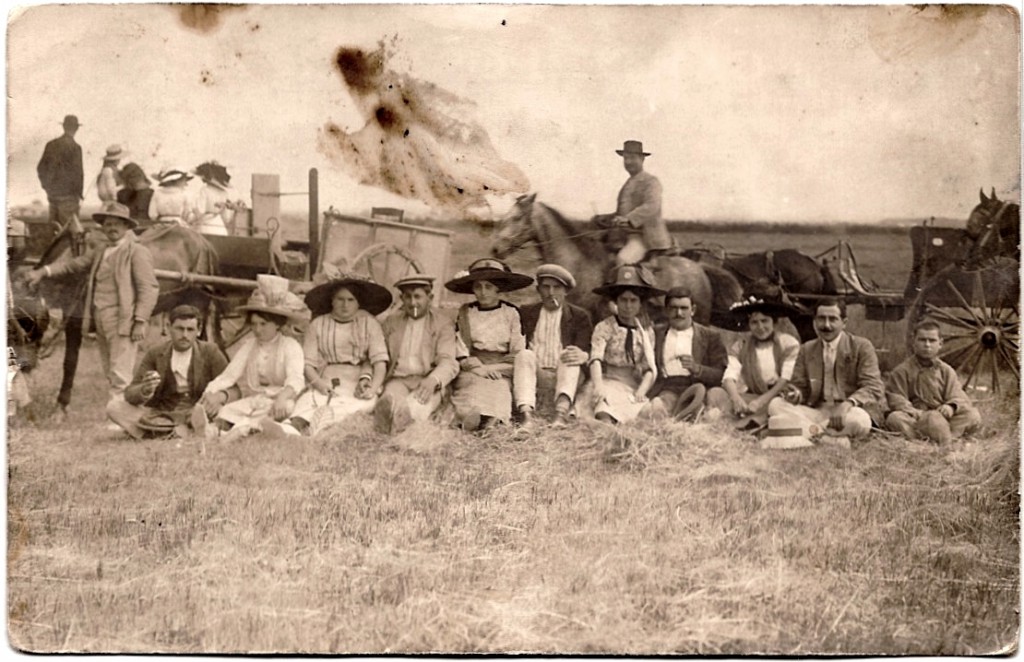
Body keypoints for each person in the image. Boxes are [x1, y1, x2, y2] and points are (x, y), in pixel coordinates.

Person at [24, 201, 159, 401]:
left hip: (124, 318)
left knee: (121, 372)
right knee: (109, 368)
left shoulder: (136, 252)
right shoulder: (101, 250)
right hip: (101, 318)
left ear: (126, 227)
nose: (112, 228)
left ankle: (120, 417)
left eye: (117, 224)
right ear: (103, 227)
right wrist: (44, 271)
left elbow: (148, 288)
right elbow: (74, 265)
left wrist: (140, 321)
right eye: (108, 224)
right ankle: (118, 410)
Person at [267, 272, 391, 437]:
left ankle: (323, 427)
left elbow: (380, 362)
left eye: (350, 300)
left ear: (358, 302)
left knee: (359, 404)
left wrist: (373, 388)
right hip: (326, 375)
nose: (345, 305)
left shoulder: (369, 323)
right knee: (311, 400)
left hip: (356, 378)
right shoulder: (318, 324)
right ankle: (293, 426)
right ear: (331, 300)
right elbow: (309, 364)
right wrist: (319, 384)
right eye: (340, 299)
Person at [197, 275, 308, 441]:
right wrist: (210, 392)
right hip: (255, 399)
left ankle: (242, 432)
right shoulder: (250, 345)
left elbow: (296, 379)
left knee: (281, 410)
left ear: (277, 324)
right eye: (254, 324)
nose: (257, 329)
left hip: (280, 400)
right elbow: (230, 375)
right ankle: (216, 430)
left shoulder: (290, 346)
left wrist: (282, 398)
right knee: (229, 410)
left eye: (263, 324)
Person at [768, 298, 885, 444]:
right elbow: (800, 386)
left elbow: (873, 386)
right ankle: (824, 437)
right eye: (821, 319)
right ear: (814, 322)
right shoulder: (807, 349)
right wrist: (795, 394)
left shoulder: (861, 346)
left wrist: (846, 405)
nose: (826, 325)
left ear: (844, 323)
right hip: (817, 411)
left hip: (849, 411)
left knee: (860, 421)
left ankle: (801, 432)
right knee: (776, 404)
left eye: (833, 319)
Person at [106, 305, 228, 440]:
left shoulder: (210, 351)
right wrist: (144, 390)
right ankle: (183, 433)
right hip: (162, 415)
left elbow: (234, 389)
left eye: (190, 330)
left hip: (197, 411)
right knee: (114, 407)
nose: (185, 335)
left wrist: (219, 397)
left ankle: (157, 434)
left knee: (227, 412)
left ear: (198, 331)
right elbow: (130, 393)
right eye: (180, 329)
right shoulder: (155, 353)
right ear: (169, 327)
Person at [445, 258, 532, 431]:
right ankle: (469, 419)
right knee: (471, 387)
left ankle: (493, 422)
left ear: (498, 288)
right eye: (478, 287)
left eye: (489, 287)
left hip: (502, 367)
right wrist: (476, 366)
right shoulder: (466, 312)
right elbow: (461, 349)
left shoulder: (511, 313)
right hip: (473, 367)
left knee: (498, 386)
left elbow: (517, 353)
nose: (483, 292)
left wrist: (494, 368)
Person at [374, 275, 459, 434]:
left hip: (426, 380)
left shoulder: (442, 324)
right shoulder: (391, 322)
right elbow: (379, 354)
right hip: (398, 380)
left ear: (430, 298)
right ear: (401, 298)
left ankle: (406, 420)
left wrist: (433, 380)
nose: (413, 303)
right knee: (391, 402)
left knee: (415, 408)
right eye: (408, 297)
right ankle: (389, 416)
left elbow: (448, 361)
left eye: (418, 297)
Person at [513, 264, 593, 428]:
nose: (551, 293)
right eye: (546, 287)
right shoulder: (527, 312)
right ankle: (526, 415)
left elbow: (589, 348)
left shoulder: (579, 316)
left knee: (569, 354)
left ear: (566, 291)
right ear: (538, 289)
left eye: (557, 288)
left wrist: (584, 355)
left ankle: (560, 413)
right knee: (524, 355)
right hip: (536, 373)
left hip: (565, 374)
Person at [706, 296, 802, 430]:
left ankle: (747, 423)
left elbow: (785, 379)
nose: (760, 327)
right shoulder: (741, 345)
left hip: (777, 397)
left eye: (765, 321)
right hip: (752, 398)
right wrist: (736, 398)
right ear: (749, 325)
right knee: (715, 393)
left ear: (774, 323)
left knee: (776, 406)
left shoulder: (788, 343)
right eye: (754, 322)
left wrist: (761, 401)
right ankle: (745, 420)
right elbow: (729, 376)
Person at [884, 319, 981, 444]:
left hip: (943, 418)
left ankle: (938, 440)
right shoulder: (901, 371)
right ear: (914, 342)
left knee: (972, 415)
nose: (927, 345)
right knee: (894, 418)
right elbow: (896, 398)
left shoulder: (946, 371)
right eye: (922, 340)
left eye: (932, 340)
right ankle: (944, 442)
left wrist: (950, 407)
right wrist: (917, 413)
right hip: (915, 419)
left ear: (940, 343)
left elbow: (957, 394)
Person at [589, 265, 663, 425]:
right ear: (616, 302)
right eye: (623, 300)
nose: (628, 306)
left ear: (640, 304)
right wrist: (598, 386)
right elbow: (595, 359)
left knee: (647, 416)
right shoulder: (605, 327)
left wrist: (641, 390)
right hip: (606, 380)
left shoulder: (646, 332)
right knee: (603, 411)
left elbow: (649, 367)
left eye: (633, 300)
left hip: (631, 385)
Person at [646, 287, 728, 422]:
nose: (679, 313)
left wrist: (698, 369)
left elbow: (720, 374)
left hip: (699, 389)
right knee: (655, 410)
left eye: (684, 308)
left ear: (693, 310)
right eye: (673, 308)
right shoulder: (656, 333)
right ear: (666, 310)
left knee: (711, 415)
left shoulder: (710, 336)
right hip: (667, 389)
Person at [593, 140, 671, 266]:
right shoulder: (628, 183)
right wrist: (606, 218)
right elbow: (622, 213)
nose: (628, 162)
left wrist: (628, 219)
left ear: (642, 159)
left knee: (623, 259)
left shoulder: (651, 181)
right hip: (623, 237)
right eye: (625, 158)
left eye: (632, 158)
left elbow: (652, 206)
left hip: (644, 238)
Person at [36, 114, 84, 229]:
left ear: (63, 127)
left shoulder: (51, 145)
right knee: (68, 232)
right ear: (76, 128)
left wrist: (47, 187)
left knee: (53, 230)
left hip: (52, 197)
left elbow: (40, 168)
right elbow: (78, 174)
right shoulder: (76, 148)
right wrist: (79, 193)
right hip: (69, 199)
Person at [191, 161, 233, 236]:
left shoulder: (205, 190)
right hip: (219, 226)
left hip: (206, 225)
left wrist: (193, 213)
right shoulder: (224, 193)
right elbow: (226, 218)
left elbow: (200, 211)